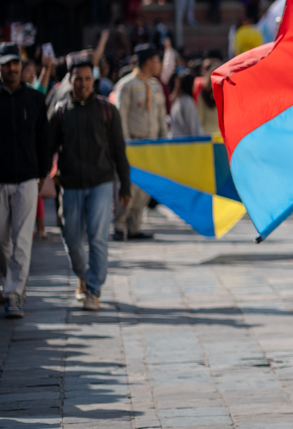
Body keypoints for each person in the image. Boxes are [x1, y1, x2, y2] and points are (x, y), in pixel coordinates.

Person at [49, 53, 131, 311]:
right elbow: (48, 149)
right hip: (71, 184)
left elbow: (119, 150)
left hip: (101, 183)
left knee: (97, 239)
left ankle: (93, 290)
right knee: (72, 238)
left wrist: (125, 187)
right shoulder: (61, 112)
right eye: (78, 79)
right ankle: (83, 276)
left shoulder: (108, 110)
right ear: (70, 81)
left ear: (93, 80)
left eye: (87, 79)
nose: (82, 84)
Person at [0, 43, 52, 318]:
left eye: (15, 64)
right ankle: (10, 284)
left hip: (27, 179)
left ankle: (14, 294)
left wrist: (42, 172)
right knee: (1, 240)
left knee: (21, 240)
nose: (12, 68)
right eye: (7, 64)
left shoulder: (33, 99)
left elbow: (44, 138)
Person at [111, 44, 168, 241]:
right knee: (128, 188)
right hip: (133, 143)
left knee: (144, 189)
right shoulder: (126, 85)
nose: (160, 65)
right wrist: (125, 144)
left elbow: (161, 117)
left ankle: (135, 226)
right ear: (148, 62)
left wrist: (163, 142)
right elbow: (121, 116)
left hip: (150, 145)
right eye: (158, 61)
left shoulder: (156, 86)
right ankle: (119, 225)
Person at [169, 72, 201, 138]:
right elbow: (193, 126)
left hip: (177, 141)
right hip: (187, 143)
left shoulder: (178, 100)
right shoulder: (187, 101)